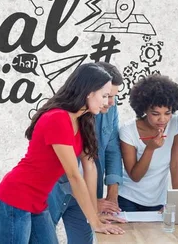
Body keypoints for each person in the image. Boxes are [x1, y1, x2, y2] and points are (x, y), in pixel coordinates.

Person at [0, 63, 125, 243]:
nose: (106, 102)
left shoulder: (83, 120)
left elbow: (90, 167)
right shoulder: (58, 118)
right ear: (89, 92)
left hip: (38, 203)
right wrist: (95, 223)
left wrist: (94, 215)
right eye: (104, 96)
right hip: (15, 199)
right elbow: (73, 175)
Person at [48, 62, 125, 244]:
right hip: (56, 189)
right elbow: (70, 172)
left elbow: (111, 151)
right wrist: (91, 203)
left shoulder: (109, 110)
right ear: (91, 92)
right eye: (106, 95)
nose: (110, 102)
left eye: (113, 96)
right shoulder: (63, 115)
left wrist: (110, 200)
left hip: (89, 190)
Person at [118, 74, 178, 211]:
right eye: (155, 114)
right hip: (128, 198)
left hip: (158, 200)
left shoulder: (176, 123)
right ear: (144, 109)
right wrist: (150, 149)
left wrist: (176, 202)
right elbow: (135, 176)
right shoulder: (128, 130)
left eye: (167, 113)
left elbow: (176, 164)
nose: (162, 119)